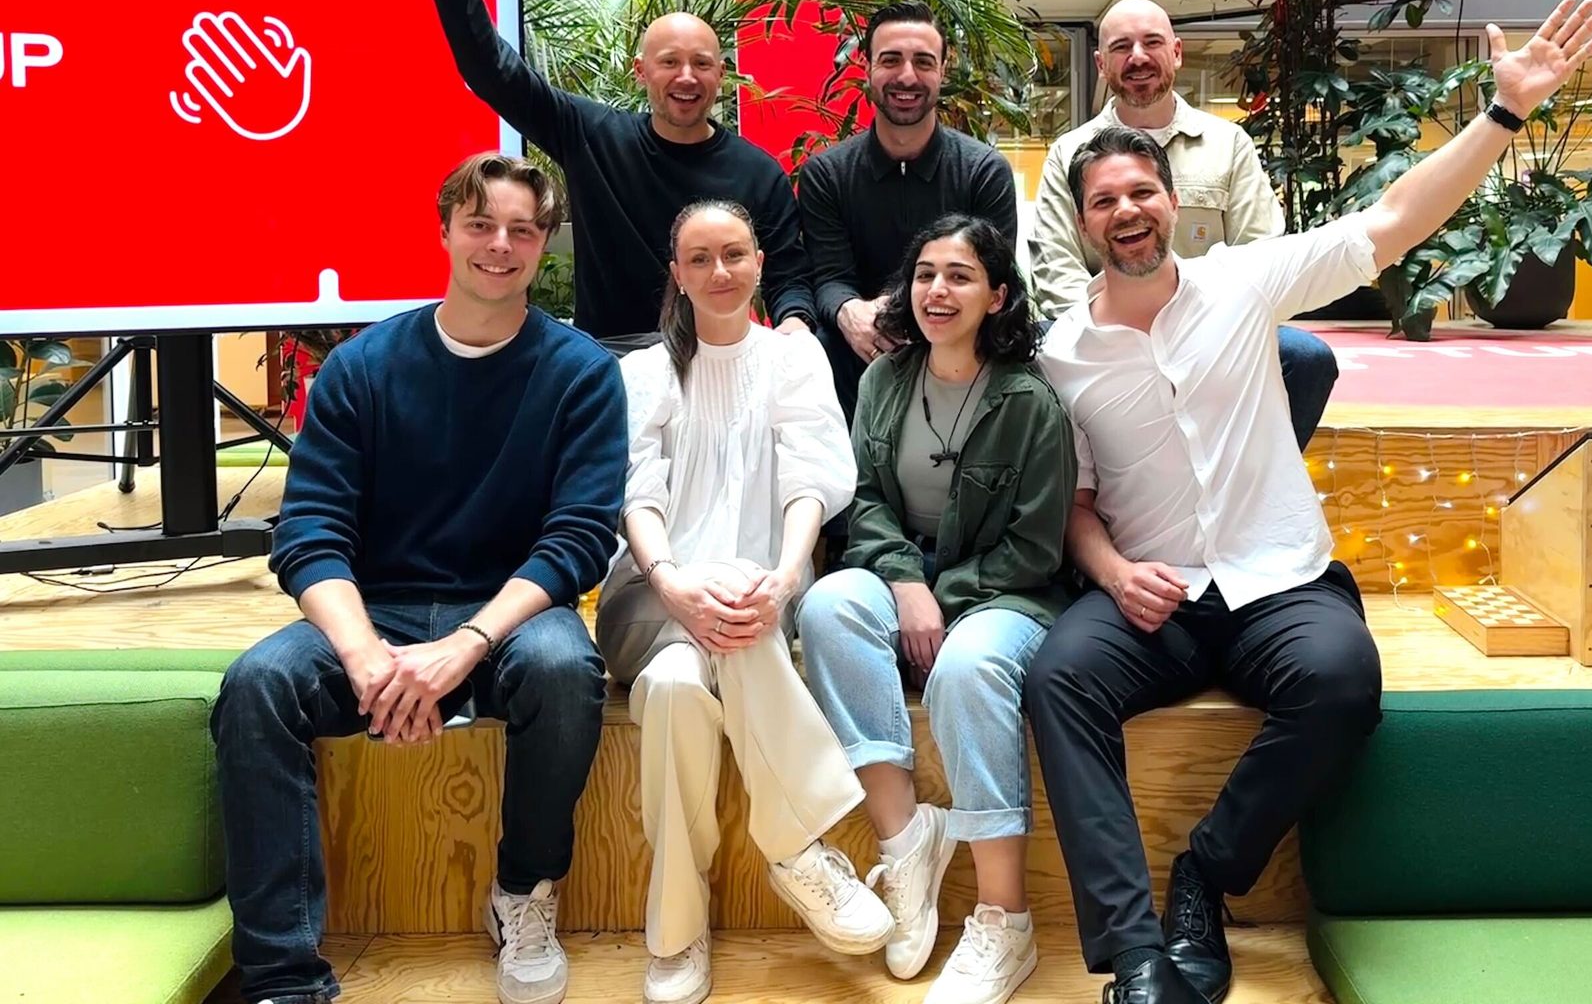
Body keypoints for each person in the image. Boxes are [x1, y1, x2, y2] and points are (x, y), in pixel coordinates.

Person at [1024, 0, 1592, 1004]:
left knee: (1343, 682)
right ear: (1082, 224)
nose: (1127, 211)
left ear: (1172, 203)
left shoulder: (1243, 282)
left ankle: (1206, 878)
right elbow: (1075, 501)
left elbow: (1393, 221)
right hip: (1153, 597)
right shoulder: (1062, 352)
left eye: (1142, 192)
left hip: (1276, 579)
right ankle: (1134, 954)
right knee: (1059, 682)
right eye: (1105, 200)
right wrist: (1115, 574)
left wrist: (1503, 116)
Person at [211, 152, 627, 1004]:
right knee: (257, 685)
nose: (499, 245)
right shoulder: (362, 367)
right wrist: (365, 654)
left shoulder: (581, 372)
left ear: (544, 244)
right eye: (480, 225)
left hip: (507, 610)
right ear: (445, 231)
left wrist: (467, 645)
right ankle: (282, 979)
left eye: (521, 229)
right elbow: (310, 532)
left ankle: (523, 892)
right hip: (380, 603)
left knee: (564, 669)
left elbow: (578, 539)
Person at [594, 199, 893, 1004]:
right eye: (700, 259)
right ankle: (799, 845)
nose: (719, 272)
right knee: (688, 647)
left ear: (761, 262)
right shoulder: (641, 374)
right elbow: (635, 495)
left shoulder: (795, 362)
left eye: (734, 254)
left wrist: (788, 572)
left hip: (758, 604)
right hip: (647, 600)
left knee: (675, 691)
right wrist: (672, 580)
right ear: (676, 275)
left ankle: (675, 934)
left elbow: (813, 478)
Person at [799, 216, 1075, 1004]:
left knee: (968, 665)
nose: (937, 291)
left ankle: (1004, 919)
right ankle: (906, 839)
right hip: (904, 576)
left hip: (1009, 592)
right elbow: (868, 502)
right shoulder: (885, 381)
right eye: (924, 274)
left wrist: (939, 599)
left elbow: (1035, 549)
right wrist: (904, 582)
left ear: (997, 295)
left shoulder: (1029, 403)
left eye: (959, 276)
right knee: (826, 608)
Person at [411, 0, 816, 350]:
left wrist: (795, 323)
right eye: (669, 63)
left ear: (720, 74)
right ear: (641, 71)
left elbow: (790, 273)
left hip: (718, 357)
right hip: (610, 359)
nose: (686, 76)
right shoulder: (593, 136)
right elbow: (490, 70)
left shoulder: (757, 172)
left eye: (701, 64)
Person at [1029, 0, 1338, 450]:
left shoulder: (1228, 144)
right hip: (1104, 337)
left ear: (1176, 51)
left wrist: (1188, 330)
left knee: (1305, 358)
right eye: (1121, 47)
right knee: (1029, 353)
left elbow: (1261, 255)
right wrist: (1123, 335)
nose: (1137, 57)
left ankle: (1243, 482)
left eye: (1151, 42)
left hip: (1213, 335)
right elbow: (1057, 271)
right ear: (1100, 63)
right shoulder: (1069, 153)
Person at [796, 0, 1020, 423]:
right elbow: (829, 277)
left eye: (923, 61)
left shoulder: (983, 171)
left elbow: (992, 280)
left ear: (943, 69)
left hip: (961, 346)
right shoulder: (827, 174)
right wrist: (850, 312)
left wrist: (901, 309)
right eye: (891, 60)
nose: (907, 76)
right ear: (867, 67)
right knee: (821, 342)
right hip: (858, 356)